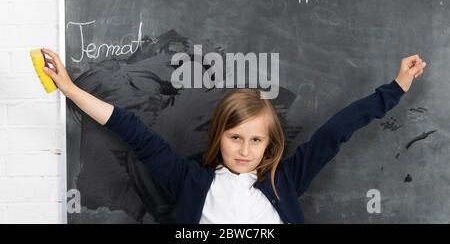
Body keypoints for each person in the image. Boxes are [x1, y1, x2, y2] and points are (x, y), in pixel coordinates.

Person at [41, 47, 426, 224]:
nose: (244, 150)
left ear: (269, 144)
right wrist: (72, 90)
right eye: (235, 138)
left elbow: (338, 130)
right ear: (219, 137)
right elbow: (132, 130)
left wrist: (396, 87)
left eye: (255, 140)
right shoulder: (189, 181)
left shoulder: (284, 181)